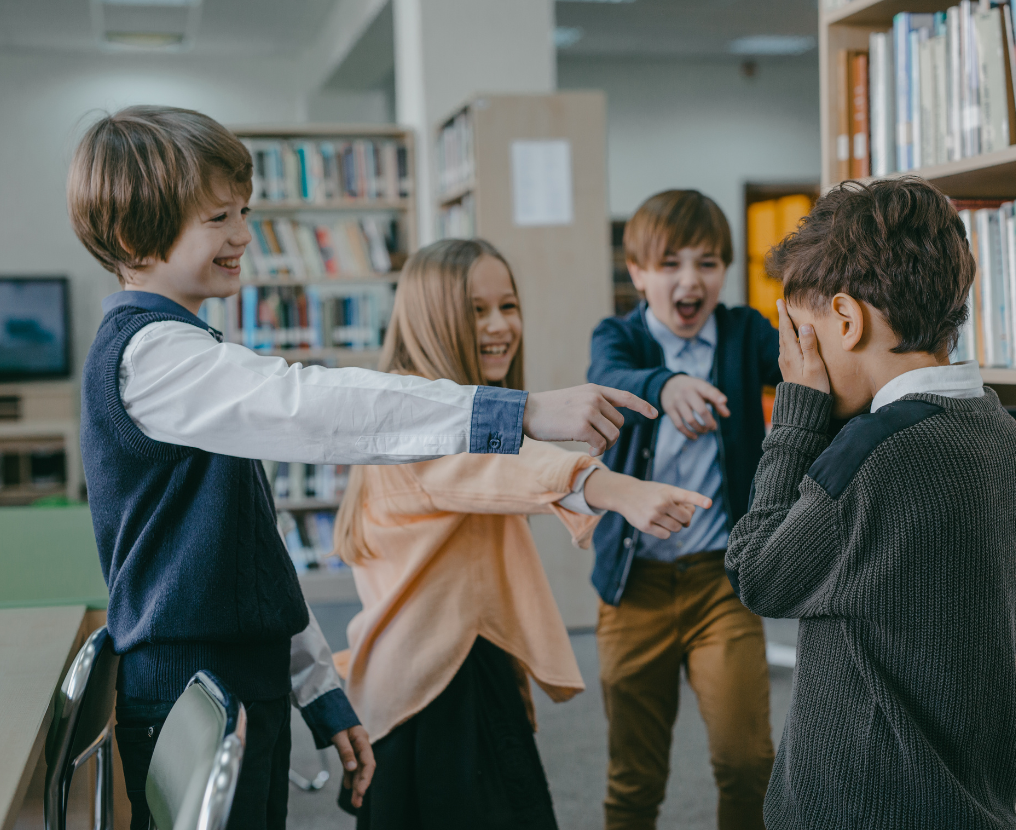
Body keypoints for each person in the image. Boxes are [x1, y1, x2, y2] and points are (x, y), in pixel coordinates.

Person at [69, 106, 655, 830]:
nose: (243, 235)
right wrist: (519, 411)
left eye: (244, 212)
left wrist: (318, 688)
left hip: (236, 674)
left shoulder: (188, 352)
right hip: (194, 683)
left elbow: (252, 555)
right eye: (219, 217)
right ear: (135, 236)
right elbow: (314, 404)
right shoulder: (151, 357)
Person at [332, 238, 711, 830]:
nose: (500, 326)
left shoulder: (434, 410)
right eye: (477, 310)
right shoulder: (411, 423)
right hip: (431, 695)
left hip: (455, 670)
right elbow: (498, 467)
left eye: (508, 306)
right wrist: (616, 489)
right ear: (433, 318)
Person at [724, 177, 1016, 829]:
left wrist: (797, 412)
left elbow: (756, 573)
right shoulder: (995, 427)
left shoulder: (873, 452)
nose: (799, 359)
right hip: (967, 799)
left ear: (846, 319)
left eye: (803, 339)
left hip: (862, 806)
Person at [586, 189, 781, 830]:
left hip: (719, 582)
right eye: (669, 264)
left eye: (707, 263)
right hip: (632, 585)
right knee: (634, 780)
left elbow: (805, 372)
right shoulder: (621, 335)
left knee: (748, 762)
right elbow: (609, 375)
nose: (689, 281)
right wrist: (665, 384)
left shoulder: (745, 332)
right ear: (638, 274)